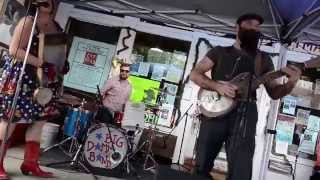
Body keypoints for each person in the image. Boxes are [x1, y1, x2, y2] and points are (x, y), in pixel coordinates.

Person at [190, 13, 302, 180]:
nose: (254, 28)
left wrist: (292, 82)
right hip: (215, 111)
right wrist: (217, 86)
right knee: (202, 164)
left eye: (257, 26)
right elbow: (195, 74)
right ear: (237, 28)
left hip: (246, 113)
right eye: (249, 24)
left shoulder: (263, 59)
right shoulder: (220, 52)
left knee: (241, 171)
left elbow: (275, 93)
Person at [0, 0, 65, 179]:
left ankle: (30, 163)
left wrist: (61, 65)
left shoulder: (56, 26)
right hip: (24, 77)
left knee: (39, 121)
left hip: (46, 82)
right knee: (10, 119)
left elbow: (58, 51)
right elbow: (14, 50)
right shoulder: (28, 21)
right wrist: (42, 63)